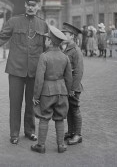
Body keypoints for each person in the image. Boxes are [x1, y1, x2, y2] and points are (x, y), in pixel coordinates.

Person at [0, 0, 48, 144]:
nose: (31, 7)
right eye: (28, 5)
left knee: (31, 102)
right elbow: (1, 37)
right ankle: (14, 133)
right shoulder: (14, 21)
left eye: (34, 5)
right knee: (15, 103)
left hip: (34, 70)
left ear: (38, 7)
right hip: (16, 69)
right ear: (25, 5)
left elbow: (46, 49)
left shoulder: (42, 25)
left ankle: (30, 131)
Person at [31, 25, 72, 154]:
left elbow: (39, 79)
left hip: (47, 92)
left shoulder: (44, 56)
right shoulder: (65, 57)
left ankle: (41, 146)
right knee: (60, 118)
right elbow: (69, 78)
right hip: (62, 91)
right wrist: (68, 91)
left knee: (44, 117)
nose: (45, 41)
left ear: (50, 41)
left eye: (46, 39)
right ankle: (61, 145)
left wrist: (36, 97)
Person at [61, 22, 84, 145]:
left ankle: (78, 134)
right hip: (67, 86)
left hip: (73, 87)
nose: (63, 35)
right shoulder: (67, 49)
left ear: (72, 36)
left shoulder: (75, 51)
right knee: (69, 109)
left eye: (65, 33)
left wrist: (73, 88)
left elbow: (78, 72)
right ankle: (71, 131)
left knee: (75, 109)